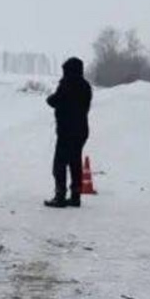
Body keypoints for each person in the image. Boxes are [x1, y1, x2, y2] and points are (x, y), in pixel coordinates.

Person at [44, 56, 92, 208]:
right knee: (75, 163)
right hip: (81, 130)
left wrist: (49, 98)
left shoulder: (67, 84)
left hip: (66, 131)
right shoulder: (86, 86)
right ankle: (75, 196)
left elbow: (55, 100)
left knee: (59, 164)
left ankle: (60, 196)